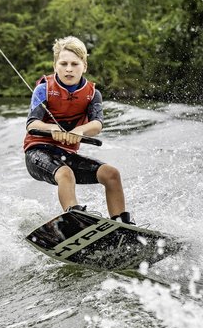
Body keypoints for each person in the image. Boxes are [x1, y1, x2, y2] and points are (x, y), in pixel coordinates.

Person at [23, 36, 134, 224]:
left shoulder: (92, 94)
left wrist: (80, 131)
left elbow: (97, 125)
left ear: (84, 66)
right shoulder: (43, 89)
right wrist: (51, 128)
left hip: (66, 153)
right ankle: (75, 219)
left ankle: (121, 224)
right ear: (55, 65)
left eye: (75, 64)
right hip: (38, 152)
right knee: (66, 174)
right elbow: (32, 124)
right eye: (63, 63)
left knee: (111, 174)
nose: (68, 69)